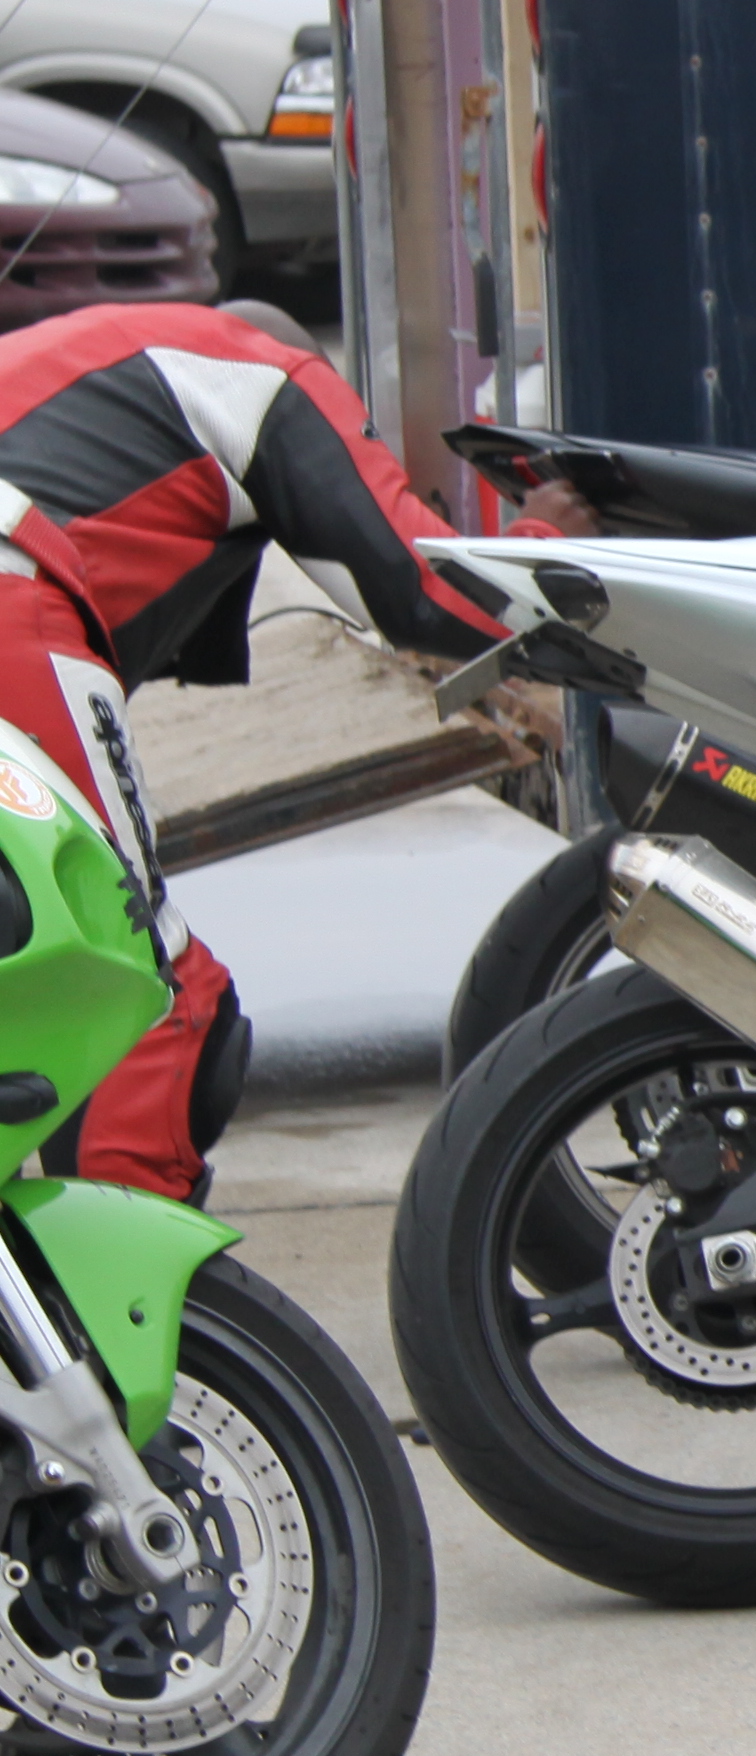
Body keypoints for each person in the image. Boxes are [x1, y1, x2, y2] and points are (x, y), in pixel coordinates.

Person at [0, 301, 534, 1197]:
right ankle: (129, 1272)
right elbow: (428, 594)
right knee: (143, 990)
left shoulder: (88, 367)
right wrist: (555, 539)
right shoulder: (264, 374)